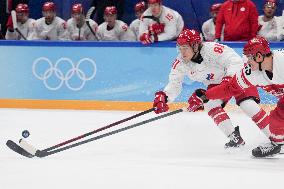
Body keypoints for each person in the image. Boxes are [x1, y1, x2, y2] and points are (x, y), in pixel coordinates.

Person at [153, 29, 270, 149]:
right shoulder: (180, 63)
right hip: (218, 84)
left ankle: (276, 137)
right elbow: (174, 84)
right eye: (180, 48)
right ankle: (235, 138)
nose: (182, 53)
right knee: (209, 104)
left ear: (195, 46)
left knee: (247, 104)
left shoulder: (213, 50)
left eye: (185, 48)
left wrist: (228, 81)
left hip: (238, 78)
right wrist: (164, 97)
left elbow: (235, 62)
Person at [201, 36, 283, 157]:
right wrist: (206, 96)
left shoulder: (282, 61)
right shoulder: (251, 72)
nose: (247, 61)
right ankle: (278, 144)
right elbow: (229, 88)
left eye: (250, 57)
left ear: (259, 56)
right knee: (276, 123)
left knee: (278, 116)